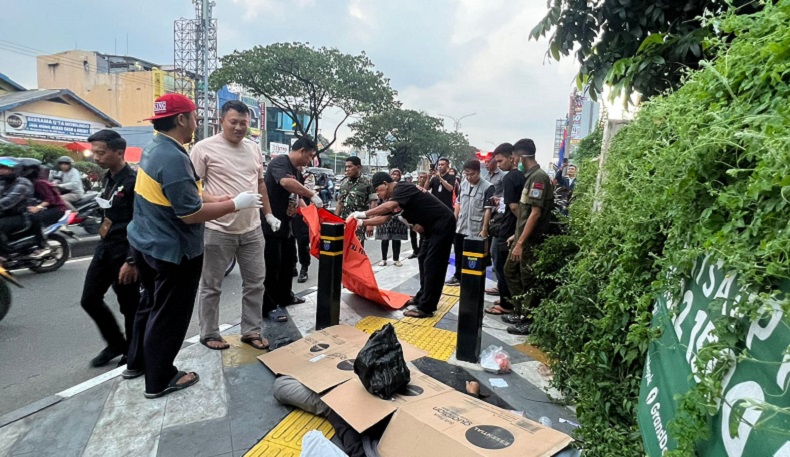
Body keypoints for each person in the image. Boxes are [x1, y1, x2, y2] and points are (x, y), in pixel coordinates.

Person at [125, 93, 264, 398]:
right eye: (194, 118)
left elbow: (190, 194)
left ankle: (136, 363)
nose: (195, 124)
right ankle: (160, 379)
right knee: (168, 317)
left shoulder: (155, 148)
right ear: (181, 119)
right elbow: (190, 213)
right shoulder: (177, 157)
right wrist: (233, 204)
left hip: (146, 243)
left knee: (149, 306)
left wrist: (235, 202)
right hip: (172, 249)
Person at [190, 100, 280, 351]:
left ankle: (251, 331)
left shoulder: (253, 148)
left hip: (251, 229)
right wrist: (228, 202)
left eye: (244, 123)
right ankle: (209, 333)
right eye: (234, 122)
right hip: (217, 229)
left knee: (255, 283)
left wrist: (269, 214)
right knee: (211, 285)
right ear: (221, 121)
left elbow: (260, 183)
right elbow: (193, 188)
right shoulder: (203, 148)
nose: (239, 127)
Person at [351, 172, 455, 318]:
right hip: (429, 228)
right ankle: (422, 296)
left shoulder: (402, 187)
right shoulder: (396, 198)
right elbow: (384, 218)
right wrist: (362, 222)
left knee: (433, 264)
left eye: (378, 190)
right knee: (423, 259)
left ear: (386, 184)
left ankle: (427, 307)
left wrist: (363, 214)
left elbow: (389, 206)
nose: (378, 194)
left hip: (443, 223)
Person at [79, 130, 141, 368]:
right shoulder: (108, 179)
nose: (96, 157)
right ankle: (116, 343)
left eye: (101, 152)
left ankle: (133, 351)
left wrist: (132, 260)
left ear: (119, 152)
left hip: (124, 252)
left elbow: (140, 222)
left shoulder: (133, 182)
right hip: (105, 248)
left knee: (129, 305)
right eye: (94, 152)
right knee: (89, 299)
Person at [262, 137, 323, 323]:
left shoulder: (296, 171)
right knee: (273, 267)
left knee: (289, 263)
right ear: (302, 150)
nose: (309, 161)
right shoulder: (280, 162)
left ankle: (285, 297)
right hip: (271, 225)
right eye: (310, 156)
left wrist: (309, 213)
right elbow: (286, 184)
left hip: (286, 226)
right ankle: (269, 307)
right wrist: (312, 194)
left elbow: (297, 196)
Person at [503, 139, 554, 336]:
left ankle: (529, 319)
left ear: (523, 157)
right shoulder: (530, 176)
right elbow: (525, 215)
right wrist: (514, 235)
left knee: (528, 279)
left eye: (515, 158)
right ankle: (519, 311)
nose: (515, 162)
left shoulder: (538, 178)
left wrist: (521, 242)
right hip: (521, 237)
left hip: (530, 242)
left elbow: (535, 214)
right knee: (510, 271)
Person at [484, 143, 524, 317]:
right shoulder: (520, 176)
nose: (499, 165)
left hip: (507, 230)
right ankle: (505, 298)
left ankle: (507, 304)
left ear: (511, 158)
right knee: (502, 266)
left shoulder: (509, 178)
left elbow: (514, 207)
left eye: (500, 161)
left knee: (502, 267)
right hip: (511, 228)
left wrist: (518, 229)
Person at [445, 160, 494, 285]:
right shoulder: (464, 183)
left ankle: (472, 279)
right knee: (458, 252)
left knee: (473, 256)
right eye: (466, 174)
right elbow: (459, 203)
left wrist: (484, 230)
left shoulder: (488, 187)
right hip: (461, 226)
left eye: (471, 174)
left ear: (478, 172)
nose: (468, 177)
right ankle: (457, 276)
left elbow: (488, 210)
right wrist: (454, 220)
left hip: (476, 228)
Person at [20, 160, 65, 259]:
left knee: (34, 218)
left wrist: (37, 208)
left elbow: (50, 200)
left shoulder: (40, 183)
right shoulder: (28, 183)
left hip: (57, 209)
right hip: (47, 207)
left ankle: (42, 245)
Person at [335, 156, 376, 246]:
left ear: (358, 167)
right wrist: (335, 220)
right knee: (341, 248)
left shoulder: (367, 182)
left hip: (358, 222)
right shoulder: (344, 182)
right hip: (343, 221)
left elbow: (373, 203)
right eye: (346, 167)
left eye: (350, 167)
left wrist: (370, 224)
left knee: (356, 248)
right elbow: (339, 202)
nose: (347, 169)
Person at [0, 158, 34, 258]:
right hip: (5, 214)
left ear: (14, 169)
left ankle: (6, 255)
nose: (1, 170)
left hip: (21, 217)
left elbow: (10, 200)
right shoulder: (3, 182)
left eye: (4, 168)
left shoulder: (23, 183)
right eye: (0, 168)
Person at [375, 168, 409, 267]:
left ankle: (396, 259)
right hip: (385, 215)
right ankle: (384, 258)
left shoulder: (401, 188)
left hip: (398, 217)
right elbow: (378, 202)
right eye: (393, 174)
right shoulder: (383, 188)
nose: (395, 176)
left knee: (396, 238)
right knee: (384, 239)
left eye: (397, 174)